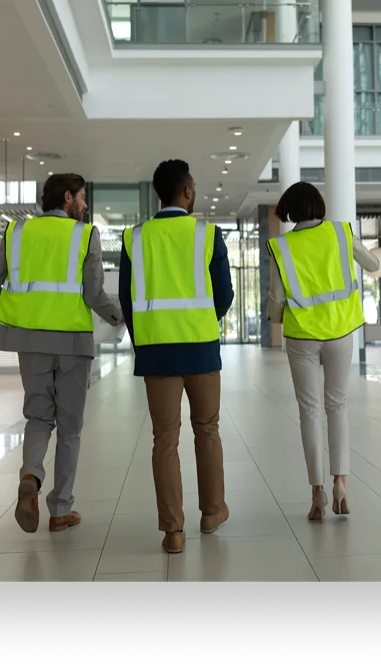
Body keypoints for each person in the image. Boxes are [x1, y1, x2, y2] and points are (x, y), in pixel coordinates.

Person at [0, 173, 122, 534]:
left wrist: (21, 316)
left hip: (30, 344)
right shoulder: (85, 235)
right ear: (68, 197)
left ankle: (30, 475)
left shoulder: (17, 233)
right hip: (73, 342)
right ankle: (59, 510)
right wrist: (121, 318)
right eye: (83, 198)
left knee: (39, 417)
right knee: (70, 428)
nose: (86, 206)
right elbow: (93, 295)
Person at [119, 159, 234, 554]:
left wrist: (145, 339)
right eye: (194, 187)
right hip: (201, 349)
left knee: (164, 440)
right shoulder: (207, 235)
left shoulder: (134, 238)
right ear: (186, 192)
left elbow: (127, 301)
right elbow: (225, 296)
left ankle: (173, 531)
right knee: (208, 429)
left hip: (157, 354)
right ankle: (212, 512)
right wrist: (201, 320)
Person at [267, 182, 381, 522]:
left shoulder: (281, 247)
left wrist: (276, 318)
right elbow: (373, 264)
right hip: (339, 331)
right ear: (319, 206)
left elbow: (276, 299)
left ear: (290, 210)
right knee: (338, 404)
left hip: (302, 334)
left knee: (310, 411)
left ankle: (316, 492)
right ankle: (341, 483)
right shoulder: (341, 233)